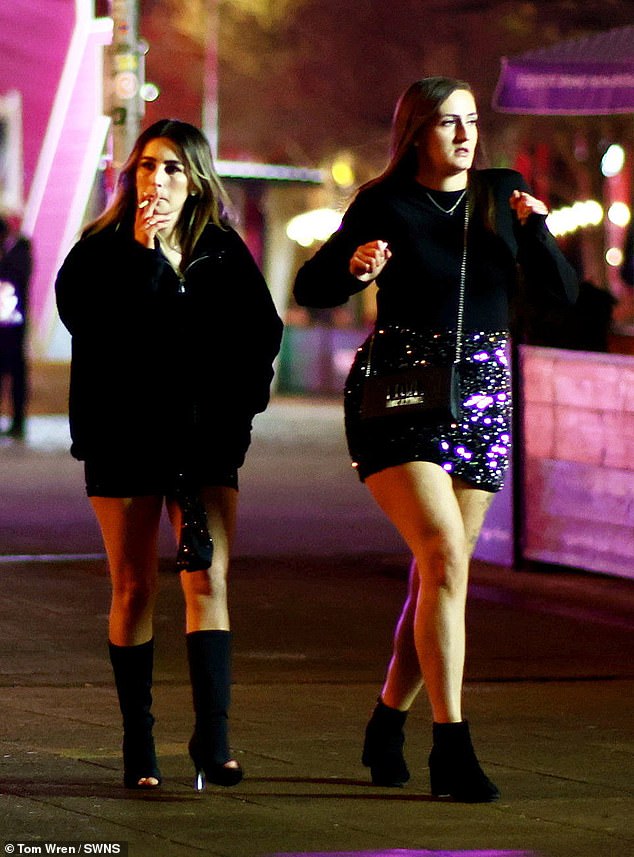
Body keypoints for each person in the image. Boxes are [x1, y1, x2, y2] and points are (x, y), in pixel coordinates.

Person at [293, 77, 578, 802]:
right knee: (444, 554)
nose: (464, 135)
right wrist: (354, 268)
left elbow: (563, 294)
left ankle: (387, 720)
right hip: (399, 393)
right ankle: (451, 745)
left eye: (473, 121)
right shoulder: (383, 203)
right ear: (416, 131)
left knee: (437, 575)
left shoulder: (501, 193)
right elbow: (311, 287)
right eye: (448, 123)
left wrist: (537, 228)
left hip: (482, 394)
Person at [55, 119, 283, 791]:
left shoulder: (221, 250)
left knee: (208, 580)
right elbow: (93, 328)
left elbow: (260, 336)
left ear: (198, 180)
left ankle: (214, 740)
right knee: (133, 587)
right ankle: (138, 742)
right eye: (149, 166)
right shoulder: (98, 252)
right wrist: (144, 255)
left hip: (203, 446)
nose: (158, 179)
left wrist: (236, 418)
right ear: (132, 176)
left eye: (174, 168)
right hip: (124, 440)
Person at [0, 212, 32, 440]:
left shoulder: (22, 247)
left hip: (15, 322)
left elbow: (21, 275)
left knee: (17, 373)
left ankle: (18, 422)